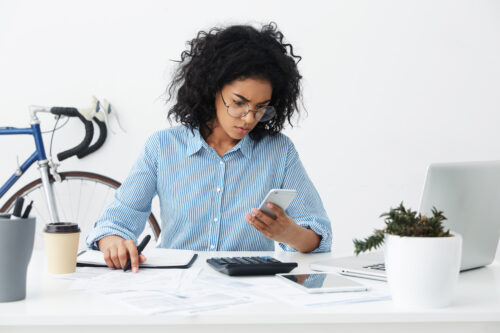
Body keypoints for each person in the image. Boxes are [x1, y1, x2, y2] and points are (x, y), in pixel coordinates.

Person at [86, 22, 332, 272]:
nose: (249, 118)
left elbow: (318, 236)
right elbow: (115, 222)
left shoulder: (279, 152)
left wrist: (290, 233)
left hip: (250, 289)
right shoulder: (163, 147)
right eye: (239, 103)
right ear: (212, 89)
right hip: (177, 285)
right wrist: (114, 243)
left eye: (261, 107)